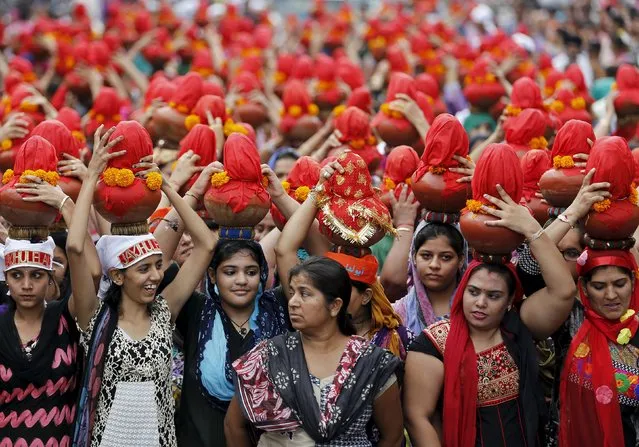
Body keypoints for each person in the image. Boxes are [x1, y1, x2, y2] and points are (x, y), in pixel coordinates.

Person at [68, 123, 215, 447]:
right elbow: (76, 248)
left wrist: (166, 185)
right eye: (144, 269)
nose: (155, 276)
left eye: (158, 267)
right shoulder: (94, 316)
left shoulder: (165, 310)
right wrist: (91, 177)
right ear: (118, 275)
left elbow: (206, 243)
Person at [403, 185, 576, 447]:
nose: (480, 303)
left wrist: (531, 229)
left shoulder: (519, 327)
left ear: (509, 302)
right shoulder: (434, 344)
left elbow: (564, 291)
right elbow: (418, 418)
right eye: (473, 292)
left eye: (493, 296)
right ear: (462, 291)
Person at [225, 256, 405, 447]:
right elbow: (233, 425)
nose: (293, 302)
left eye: (305, 294)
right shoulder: (270, 355)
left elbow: (392, 436)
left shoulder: (370, 363)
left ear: (335, 306)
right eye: (292, 292)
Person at [559, 248, 639, 446]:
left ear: (633, 283)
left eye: (620, 284)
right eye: (599, 286)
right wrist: (572, 215)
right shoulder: (570, 322)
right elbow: (530, 269)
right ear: (584, 288)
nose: (611, 295)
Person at [390, 221, 468, 334]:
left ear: (461, 260)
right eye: (426, 256)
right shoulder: (397, 314)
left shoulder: (476, 311)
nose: (434, 265)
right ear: (414, 257)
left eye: (446, 257)